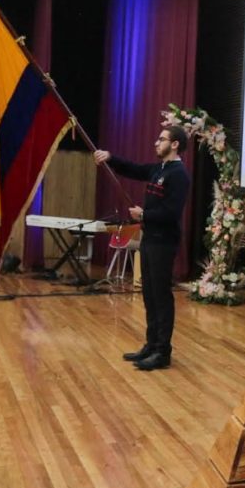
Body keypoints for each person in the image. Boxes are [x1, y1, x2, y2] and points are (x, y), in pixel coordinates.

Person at [94, 126, 191, 371]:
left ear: (176, 144)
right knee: (148, 293)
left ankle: (162, 351)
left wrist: (144, 214)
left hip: (163, 241)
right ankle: (151, 344)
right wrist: (110, 157)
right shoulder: (158, 169)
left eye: (162, 139)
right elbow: (134, 169)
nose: (156, 143)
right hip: (150, 239)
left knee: (161, 295)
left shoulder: (179, 174)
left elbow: (171, 212)